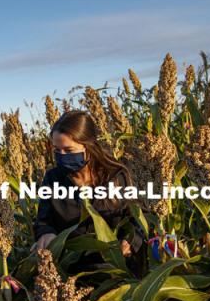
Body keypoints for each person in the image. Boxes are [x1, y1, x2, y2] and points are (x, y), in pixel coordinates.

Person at [31, 109, 147, 276]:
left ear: (88, 146)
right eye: (57, 150)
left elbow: (139, 218)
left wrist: (130, 242)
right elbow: (43, 220)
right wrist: (46, 233)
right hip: (71, 273)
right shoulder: (53, 179)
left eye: (69, 150)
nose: (61, 156)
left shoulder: (117, 176)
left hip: (116, 271)